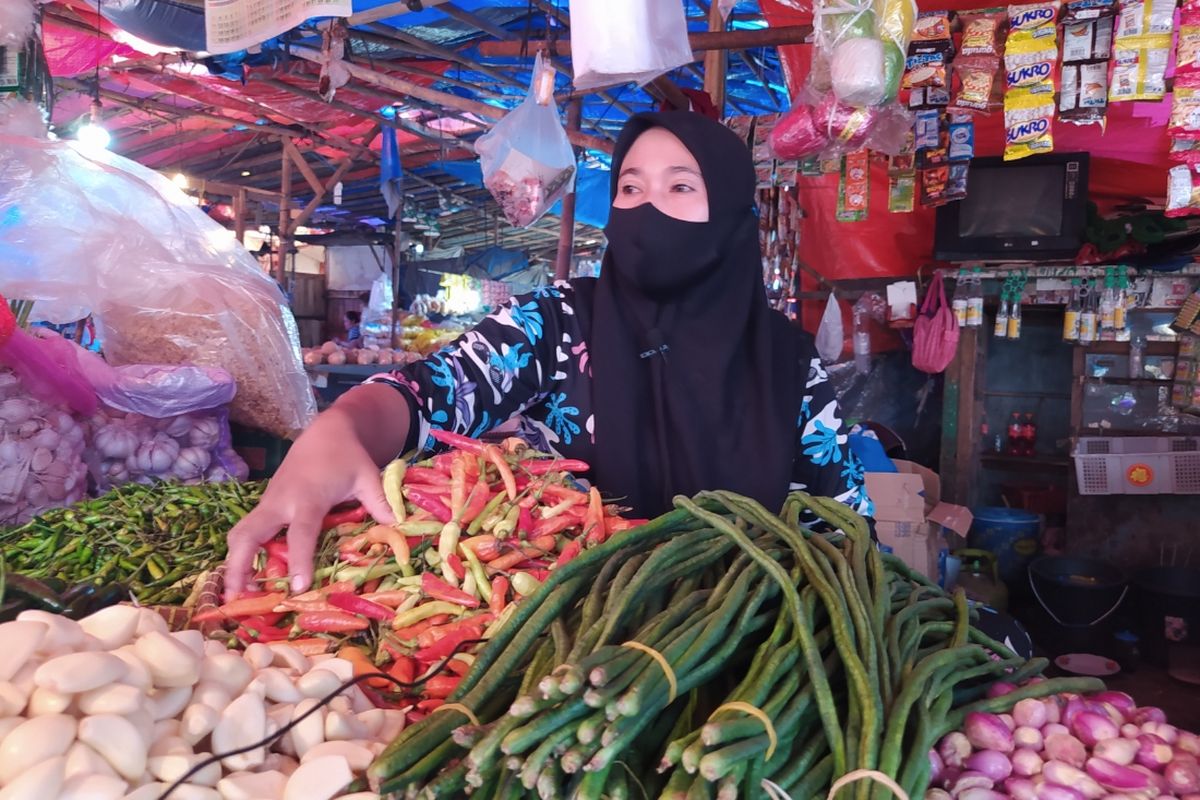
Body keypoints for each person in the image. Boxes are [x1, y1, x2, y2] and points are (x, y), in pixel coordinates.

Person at [225, 111, 872, 597]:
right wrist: (340, 428)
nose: (648, 208)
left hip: (746, 677)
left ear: (730, 215)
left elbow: (846, 549)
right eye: (630, 187)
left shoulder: (789, 368)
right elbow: (431, 392)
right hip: (559, 657)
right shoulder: (561, 321)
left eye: (680, 188)